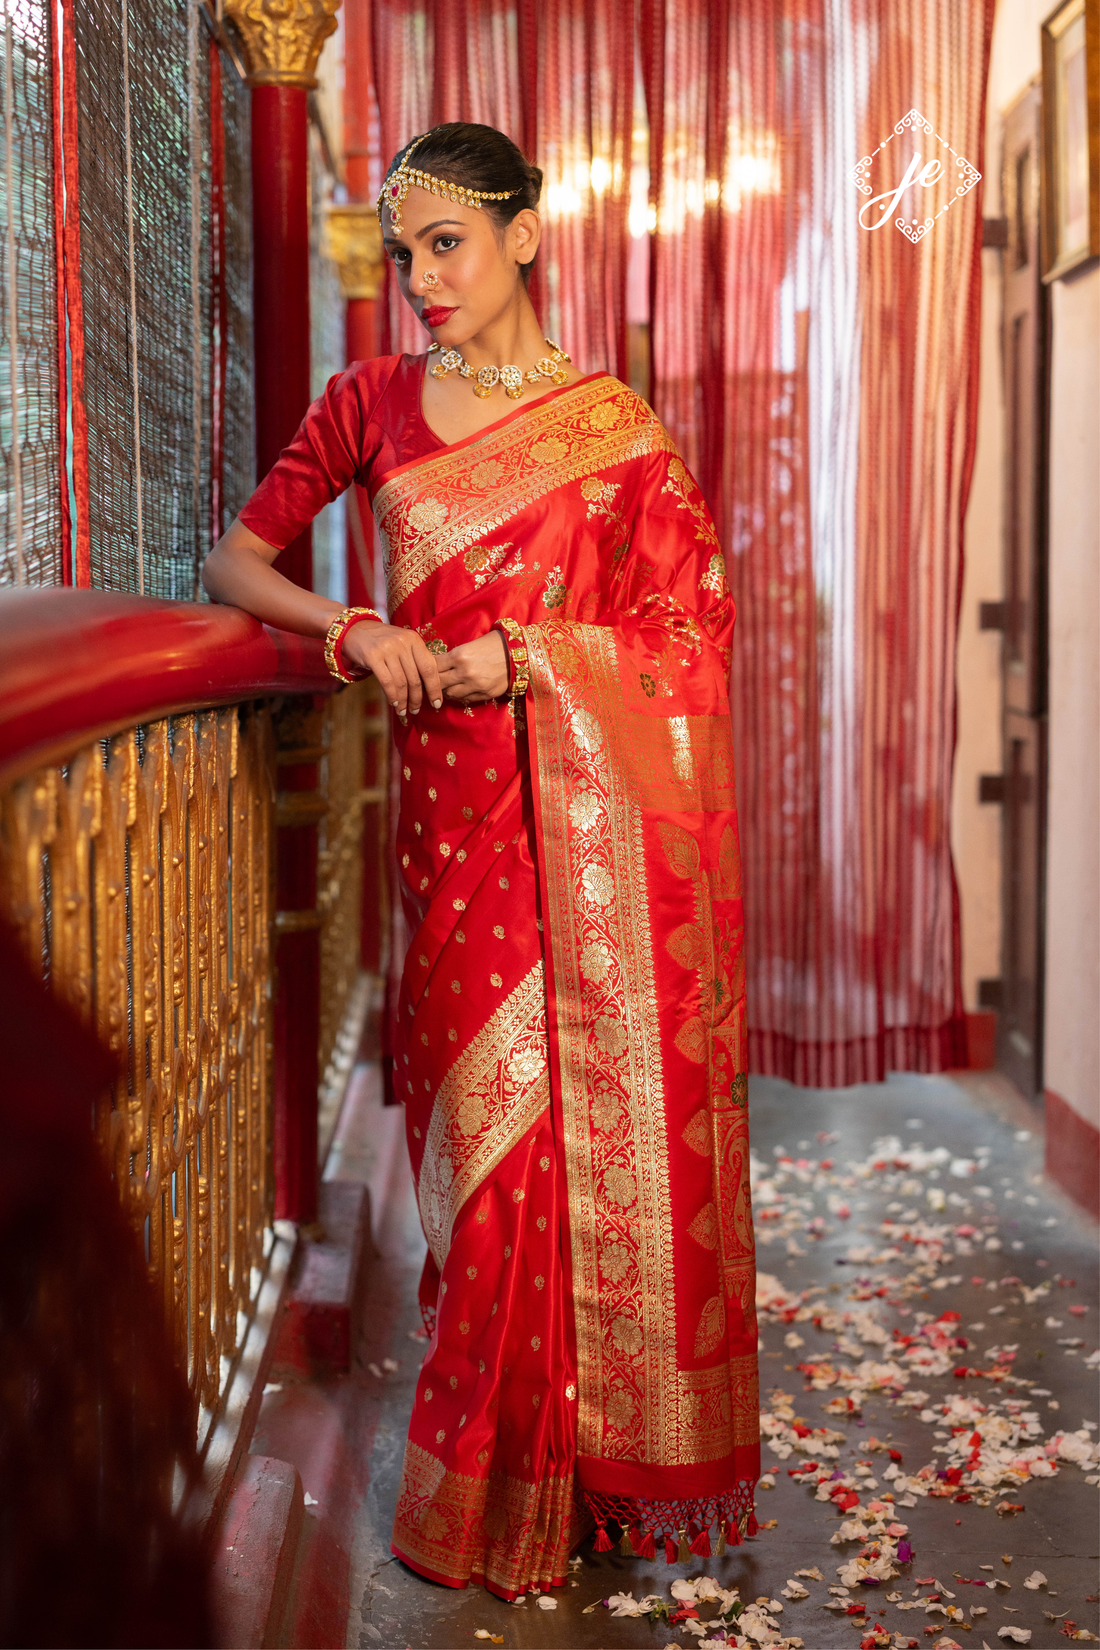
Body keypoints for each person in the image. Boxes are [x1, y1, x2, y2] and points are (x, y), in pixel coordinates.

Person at [202, 120, 760, 1603]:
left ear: (524, 232)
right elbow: (232, 560)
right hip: (449, 838)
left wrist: (527, 655)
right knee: (484, 1155)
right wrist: (353, 628)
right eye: (403, 255)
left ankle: (575, 1480)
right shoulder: (372, 401)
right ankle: (487, 1487)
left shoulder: (616, 431)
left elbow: (691, 634)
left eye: (447, 243)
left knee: (569, 1146)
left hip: (581, 830)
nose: (421, 280)